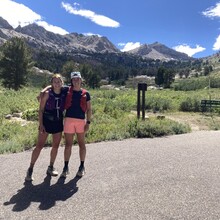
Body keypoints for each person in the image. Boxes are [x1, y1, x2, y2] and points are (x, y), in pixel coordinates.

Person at [25, 74, 67, 181]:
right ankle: (30, 169)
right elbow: (41, 110)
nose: (57, 84)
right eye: (55, 82)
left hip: (58, 122)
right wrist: (41, 124)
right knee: (39, 146)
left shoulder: (64, 92)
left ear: (62, 83)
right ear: (52, 83)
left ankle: (51, 167)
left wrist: (45, 88)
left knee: (55, 146)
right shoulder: (47, 94)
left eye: (59, 82)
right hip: (47, 122)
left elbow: (73, 87)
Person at [60, 71, 92, 178]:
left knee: (81, 144)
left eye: (78, 79)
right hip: (69, 120)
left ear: (81, 80)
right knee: (68, 145)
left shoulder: (86, 94)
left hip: (80, 122)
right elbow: (54, 85)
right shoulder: (66, 90)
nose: (76, 81)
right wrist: (43, 92)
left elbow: (89, 110)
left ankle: (82, 166)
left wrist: (88, 122)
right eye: (74, 79)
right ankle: (65, 167)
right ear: (71, 81)